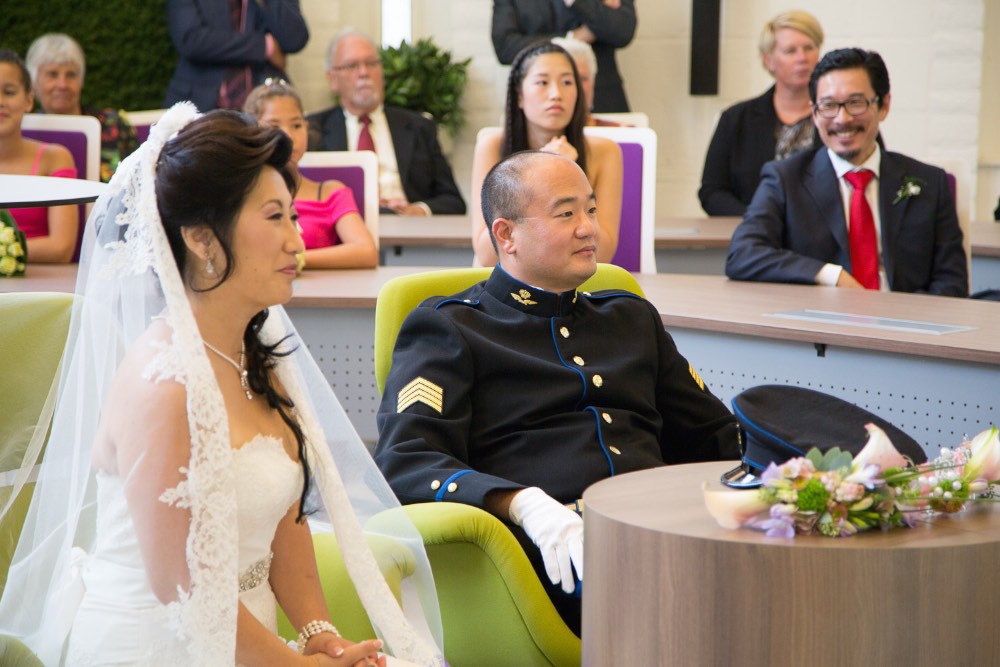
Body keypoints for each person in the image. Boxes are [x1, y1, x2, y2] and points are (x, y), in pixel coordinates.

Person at [0, 104, 445, 666]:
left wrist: (319, 634)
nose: (297, 240)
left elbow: (285, 518)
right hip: (157, 646)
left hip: (252, 643)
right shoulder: (163, 385)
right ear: (202, 239)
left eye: (292, 215)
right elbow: (182, 591)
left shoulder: (259, 356)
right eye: (275, 217)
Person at [375, 150, 740, 634]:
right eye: (566, 214)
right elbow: (406, 461)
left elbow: (716, 435)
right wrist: (520, 503)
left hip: (660, 529)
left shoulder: (630, 317)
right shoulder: (453, 328)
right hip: (552, 553)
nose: (588, 228)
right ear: (506, 235)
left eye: (591, 209)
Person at [725, 48, 968, 297]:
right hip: (822, 318)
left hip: (907, 317)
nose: (842, 119)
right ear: (814, 113)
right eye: (828, 106)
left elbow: (952, 284)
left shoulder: (931, 183)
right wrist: (831, 275)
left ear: (884, 106)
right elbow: (743, 253)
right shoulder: (785, 179)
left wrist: (902, 315)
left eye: (856, 103)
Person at [470, 41, 622, 267]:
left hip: (580, 282)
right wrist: (544, 171)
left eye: (567, 82)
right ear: (519, 95)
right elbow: (487, 254)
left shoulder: (605, 151)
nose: (556, 94)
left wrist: (567, 173)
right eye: (542, 82)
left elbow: (603, 252)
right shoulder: (492, 146)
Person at [306, 31, 466, 217]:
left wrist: (418, 211)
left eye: (371, 63)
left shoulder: (419, 127)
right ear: (332, 78)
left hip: (409, 228)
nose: (364, 73)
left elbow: (453, 201)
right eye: (352, 66)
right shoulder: (314, 129)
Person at [699, 10, 824, 216]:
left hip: (823, 233)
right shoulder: (736, 119)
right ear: (769, 60)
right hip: (753, 229)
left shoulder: (840, 116)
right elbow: (712, 192)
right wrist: (756, 219)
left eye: (809, 48)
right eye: (790, 51)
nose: (802, 58)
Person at [244, 80, 377, 269]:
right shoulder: (243, 193)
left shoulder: (330, 192)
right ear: (252, 131)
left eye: (296, 125)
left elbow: (366, 251)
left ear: (307, 127)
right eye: (274, 126)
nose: (288, 136)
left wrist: (296, 260)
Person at [25, 33, 139, 183]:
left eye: (71, 75)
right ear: (34, 82)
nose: (62, 84)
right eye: (52, 74)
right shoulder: (24, 131)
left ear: (81, 80)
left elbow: (141, 179)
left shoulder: (113, 124)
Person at [0, 49, 78, 263]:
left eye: (9, 92)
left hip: (44, 281)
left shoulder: (55, 159)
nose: (1, 102)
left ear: (28, 100)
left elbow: (61, 248)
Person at [492, 0, 636, 113]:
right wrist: (574, 37)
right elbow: (505, 48)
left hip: (601, 100)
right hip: (538, 108)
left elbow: (622, 31)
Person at [164, 0, 309, 112]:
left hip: (264, 106)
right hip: (200, 102)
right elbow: (191, 40)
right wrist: (265, 46)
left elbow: (295, 40)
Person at [550, 36, 624, 126]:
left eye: (582, 79)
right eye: (566, 82)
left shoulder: (621, 131)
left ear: (593, 82)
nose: (575, 87)